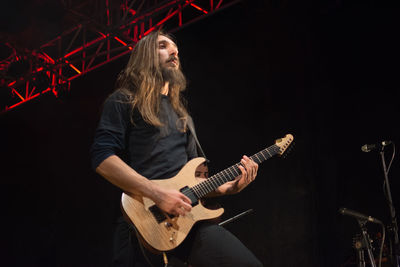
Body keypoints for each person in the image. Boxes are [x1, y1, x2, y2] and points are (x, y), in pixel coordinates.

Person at [91, 30, 262, 267]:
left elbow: (195, 182)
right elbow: (102, 158)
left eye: (176, 49)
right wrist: (157, 194)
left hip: (187, 220)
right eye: (163, 46)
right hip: (142, 223)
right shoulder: (123, 100)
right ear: (144, 56)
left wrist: (229, 188)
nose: (174, 52)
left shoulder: (183, 117)